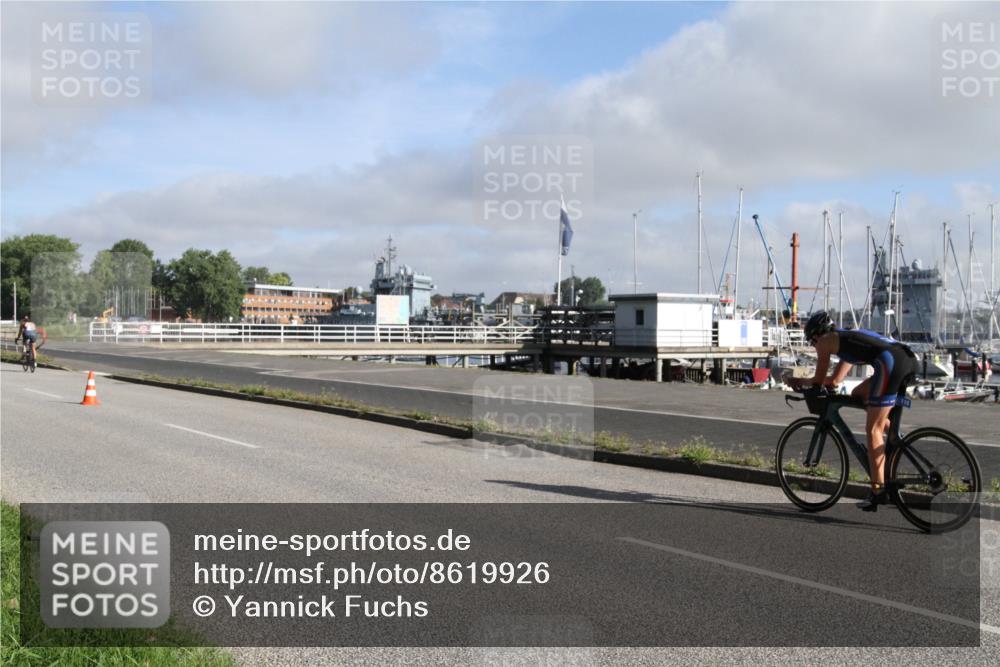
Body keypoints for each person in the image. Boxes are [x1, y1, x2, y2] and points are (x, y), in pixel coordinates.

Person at [788, 311, 918, 511]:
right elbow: (834, 381)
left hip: (891, 363)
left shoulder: (825, 342)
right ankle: (891, 441)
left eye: (812, 343)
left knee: (872, 430)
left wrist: (796, 381)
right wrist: (823, 383)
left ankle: (878, 492)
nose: (815, 347)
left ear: (816, 335)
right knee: (859, 393)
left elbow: (817, 379)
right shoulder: (843, 339)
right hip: (905, 358)